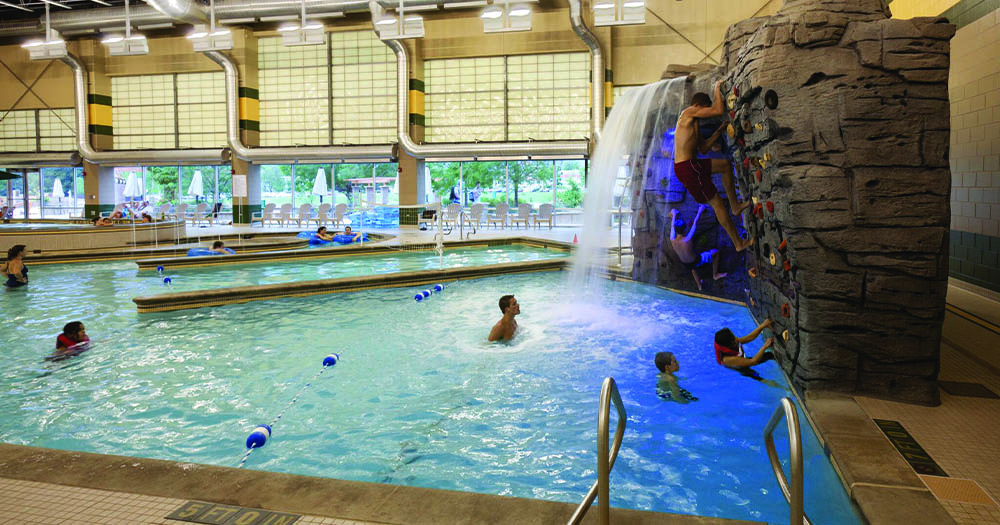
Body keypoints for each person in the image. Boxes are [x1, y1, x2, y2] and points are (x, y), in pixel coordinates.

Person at [672, 79, 752, 252]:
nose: (704, 113)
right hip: (687, 168)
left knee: (724, 165)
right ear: (698, 105)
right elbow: (718, 110)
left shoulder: (694, 125)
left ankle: (736, 206)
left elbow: (704, 148)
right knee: (717, 204)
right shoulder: (688, 113)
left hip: (690, 165)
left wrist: (718, 131)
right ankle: (739, 243)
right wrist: (716, 88)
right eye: (704, 108)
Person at [669, 206, 727, 291]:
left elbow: (672, 227)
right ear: (685, 229)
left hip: (685, 263)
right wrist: (699, 211)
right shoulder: (687, 239)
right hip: (697, 261)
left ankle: (699, 285)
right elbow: (695, 224)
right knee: (716, 252)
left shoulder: (672, 239)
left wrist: (674, 214)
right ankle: (715, 275)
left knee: (693, 268)